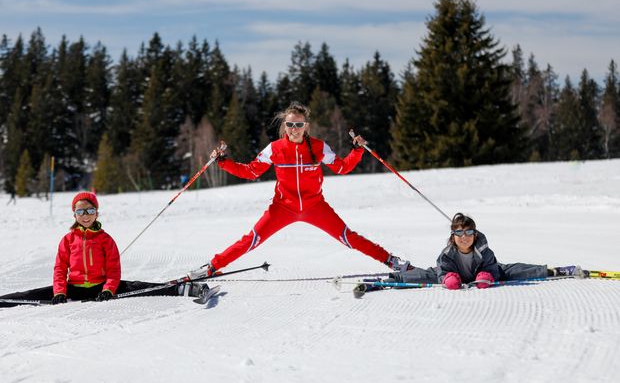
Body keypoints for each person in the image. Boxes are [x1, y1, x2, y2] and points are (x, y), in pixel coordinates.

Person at [187, 102, 409, 280]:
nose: (294, 129)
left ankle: (392, 261)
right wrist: (223, 162)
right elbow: (251, 171)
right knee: (251, 240)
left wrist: (357, 151)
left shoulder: (319, 147)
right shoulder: (274, 149)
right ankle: (211, 267)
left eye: (299, 124)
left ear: (306, 126)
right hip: (283, 207)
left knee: (348, 237)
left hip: (315, 206)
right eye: (290, 125)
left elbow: (342, 167)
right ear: (285, 126)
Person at [1, 192, 204, 307]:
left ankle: (182, 289)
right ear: (74, 215)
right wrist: (60, 292)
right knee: (32, 294)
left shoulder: (105, 240)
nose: (85, 215)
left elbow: (114, 270)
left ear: (97, 213)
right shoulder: (68, 240)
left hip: (102, 286)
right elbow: (60, 269)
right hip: (74, 288)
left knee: (138, 286)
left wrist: (109, 289)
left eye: (90, 210)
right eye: (80, 211)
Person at [394, 212, 582, 289]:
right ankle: (392, 279)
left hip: (481, 274)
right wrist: (446, 278)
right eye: (459, 233)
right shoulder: (447, 254)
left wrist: (488, 275)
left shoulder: (483, 250)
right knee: (428, 275)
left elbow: (492, 267)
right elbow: (442, 271)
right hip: (455, 275)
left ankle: (555, 271)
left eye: (469, 232)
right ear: (453, 236)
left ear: (475, 234)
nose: (464, 237)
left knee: (513, 271)